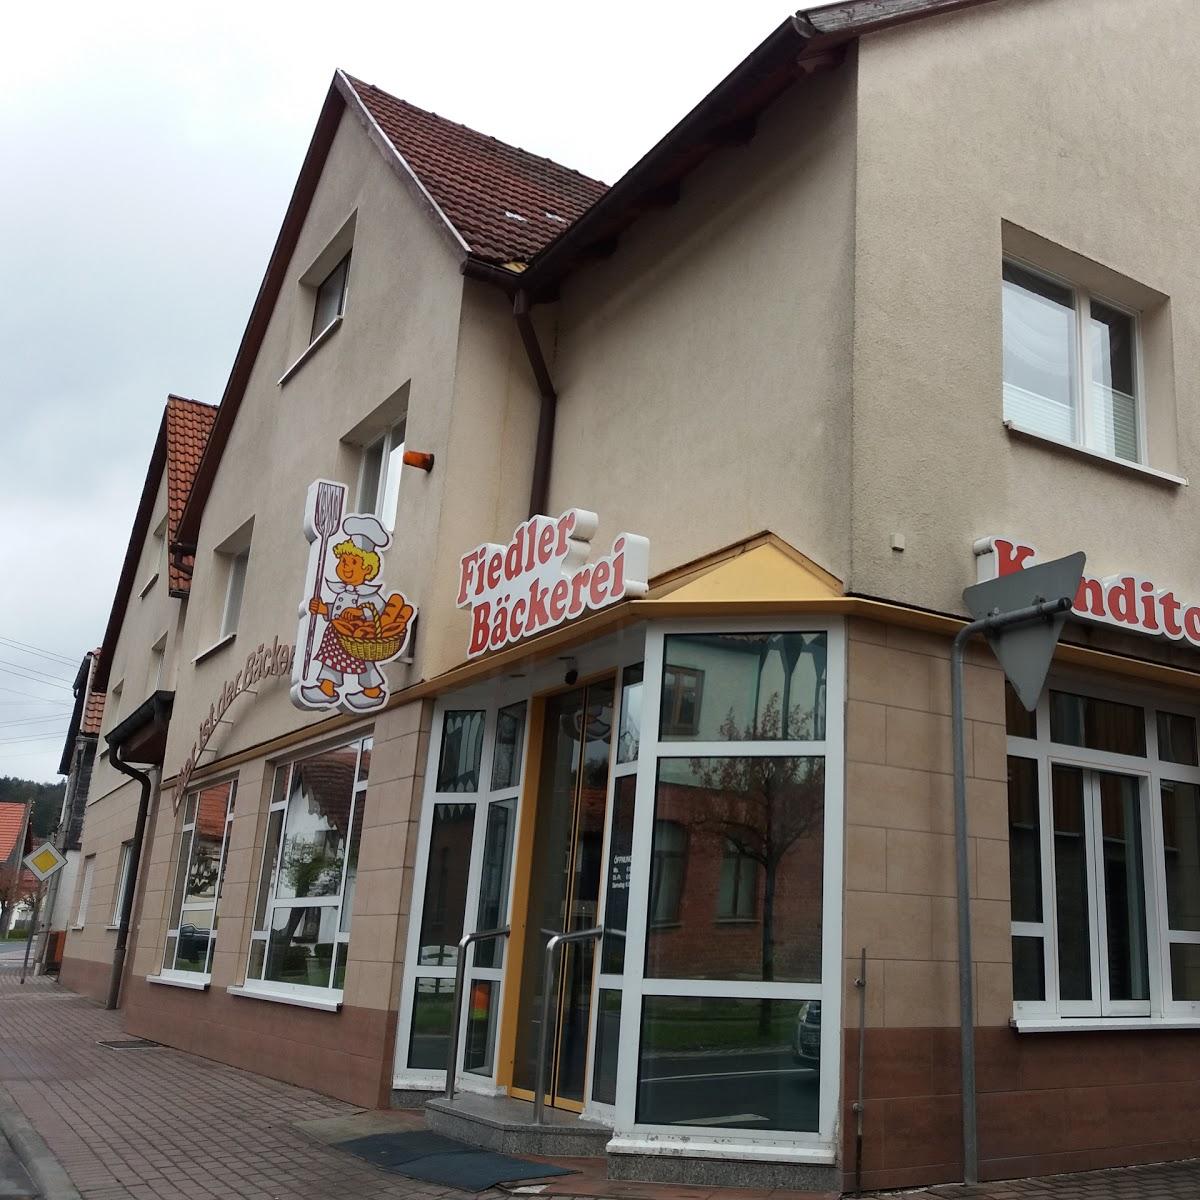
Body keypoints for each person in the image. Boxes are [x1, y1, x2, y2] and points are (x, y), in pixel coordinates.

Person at [299, 515, 390, 711]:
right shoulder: (341, 591)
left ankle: (372, 692)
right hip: (337, 636)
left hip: (360, 638)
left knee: (365, 664)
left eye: (352, 563)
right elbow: (337, 610)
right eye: (343, 561)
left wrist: (359, 614)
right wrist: (324, 609)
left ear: (367, 568)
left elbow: (378, 610)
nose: (346, 567)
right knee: (330, 660)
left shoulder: (370, 594)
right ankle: (327, 689)